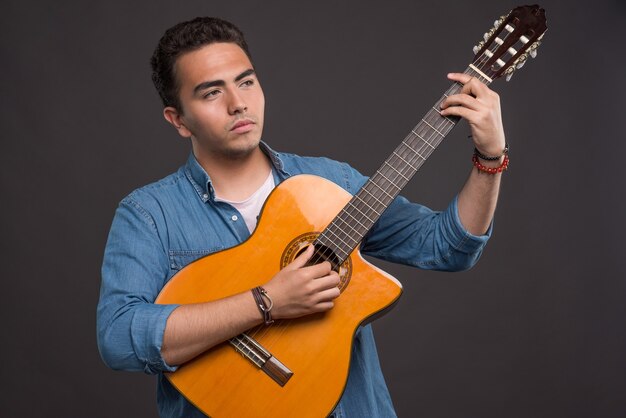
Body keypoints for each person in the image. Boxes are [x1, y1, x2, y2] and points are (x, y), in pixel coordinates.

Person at [97, 16, 507, 417]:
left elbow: (448, 247)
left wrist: (490, 158)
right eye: (210, 93)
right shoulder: (149, 214)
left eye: (246, 81)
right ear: (178, 120)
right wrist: (267, 302)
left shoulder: (330, 182)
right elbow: (118, 337)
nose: (238, 103)